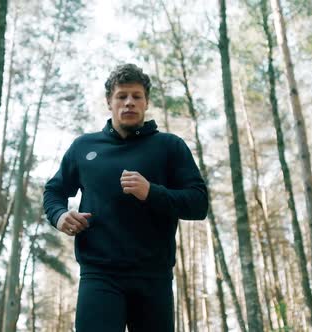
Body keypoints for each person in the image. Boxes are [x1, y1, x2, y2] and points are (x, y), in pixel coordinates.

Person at [43, 63, 208, 332]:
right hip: (99, 274)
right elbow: (54, 191)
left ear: (146, 102)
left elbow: (198, 204)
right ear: (109, 102)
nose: (129, 102)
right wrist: (60, 216)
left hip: (154, 276)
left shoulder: (170, 147)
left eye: (136, 96)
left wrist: (151, 192)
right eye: (122, 96)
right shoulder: (84, 147)